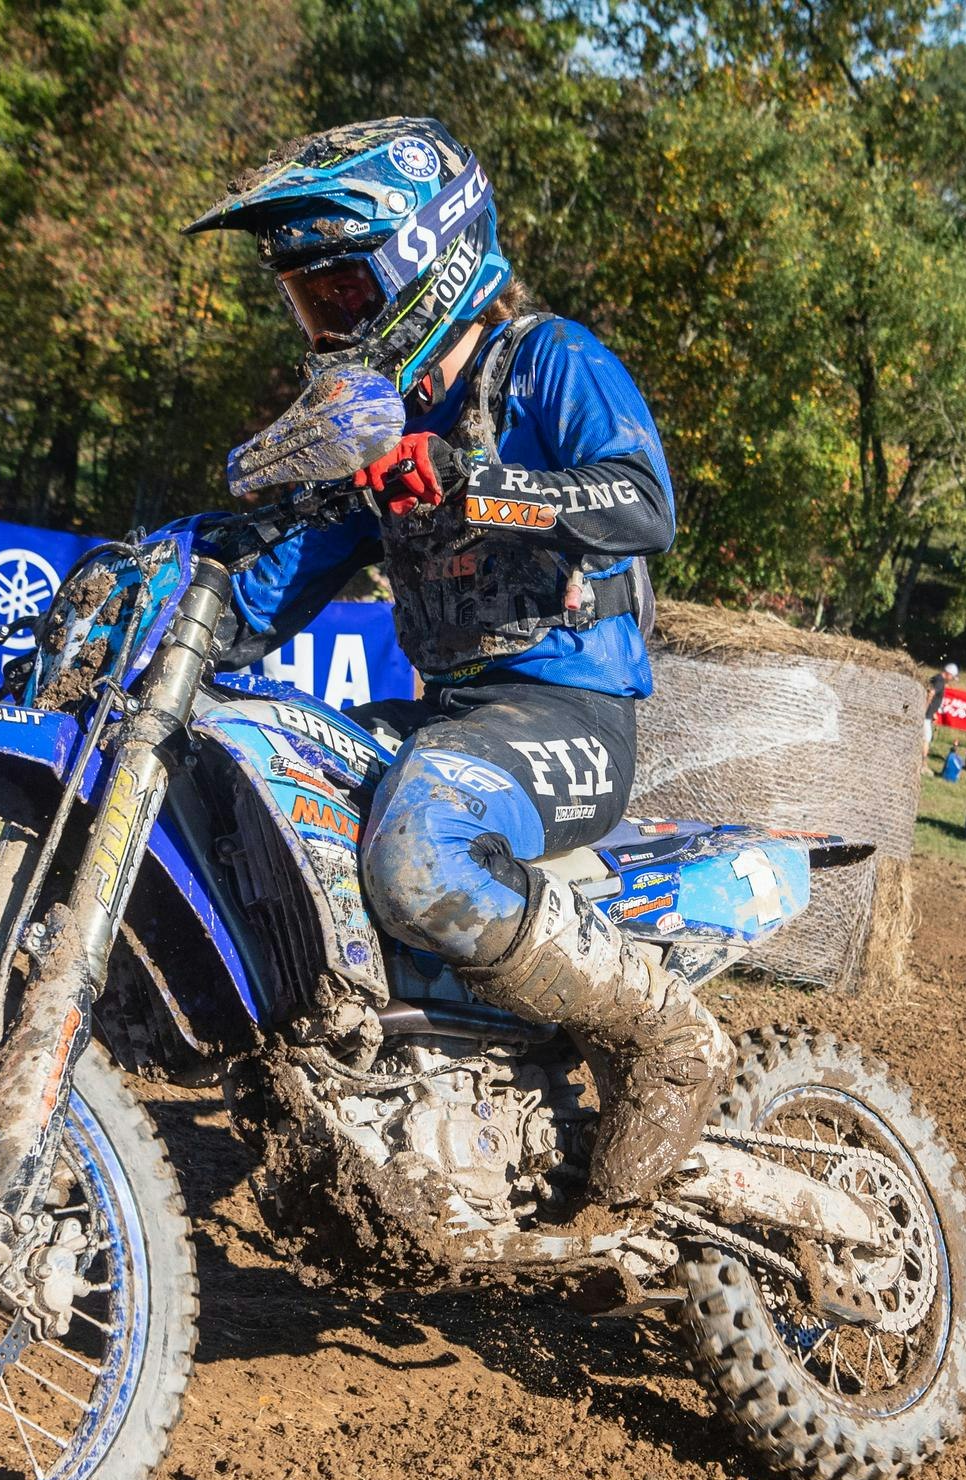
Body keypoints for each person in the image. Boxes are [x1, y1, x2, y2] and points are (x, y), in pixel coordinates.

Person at [175, 117, 714, 1202]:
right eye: (310, 302)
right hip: (456, 716)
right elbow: (270, 589)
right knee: (245, 776)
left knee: (418, 843)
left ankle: (666, 1035)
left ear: (426, 260)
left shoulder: (548, 362)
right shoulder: (377, 434)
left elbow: (644, 504)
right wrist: (148, 622)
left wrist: (479, 484)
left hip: (571, 713)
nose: (328, 326)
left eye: (342, 293)